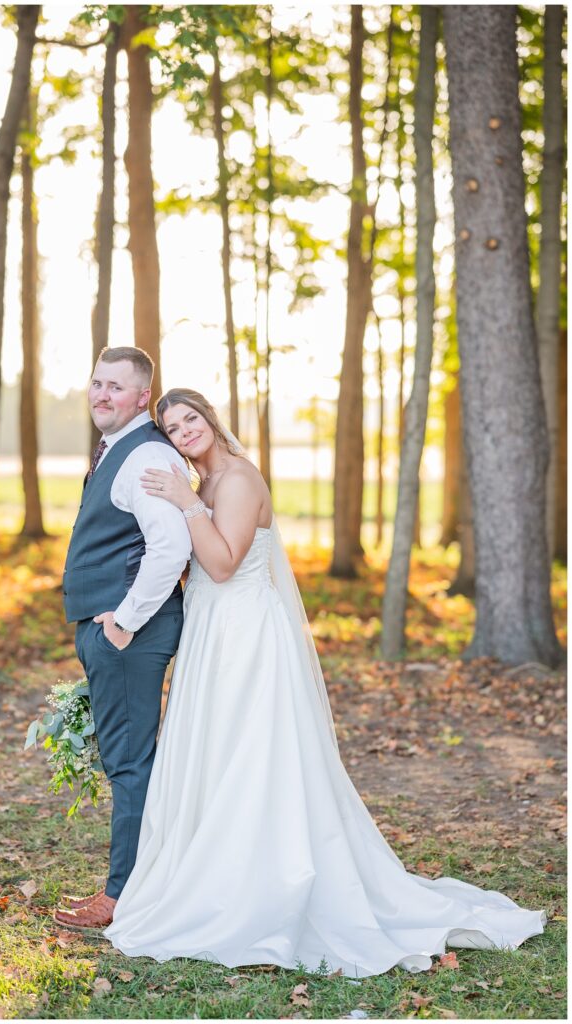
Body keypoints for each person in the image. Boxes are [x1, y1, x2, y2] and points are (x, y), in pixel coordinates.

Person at [103, 387, 546, 976]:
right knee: (216, 752)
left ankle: (261, 882)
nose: (185, 432)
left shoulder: (237, 480)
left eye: (191, 419)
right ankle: (218, 870)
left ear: (210, 418)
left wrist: (185, 503)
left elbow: (224, 564)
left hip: (245, 633)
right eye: (174, 428)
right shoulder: (204, 484)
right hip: (211, 630)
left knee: (250, 753)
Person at [53, 350, 191, 932]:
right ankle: (139, 880)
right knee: (128, 759)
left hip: (131, 634)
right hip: (117, 630)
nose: (102, 394)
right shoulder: (119, 448)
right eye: (97, 383)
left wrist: (125, 622)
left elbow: (171, 547)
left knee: (129, 762)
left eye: (116, 386)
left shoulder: (146, 455)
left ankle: (124, 897)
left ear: (142, 398)